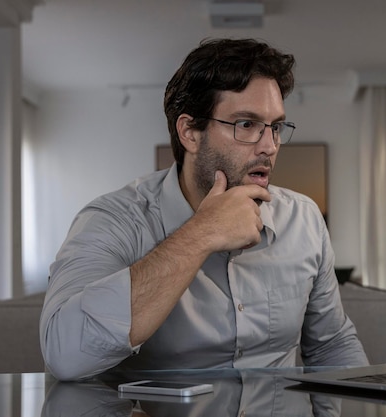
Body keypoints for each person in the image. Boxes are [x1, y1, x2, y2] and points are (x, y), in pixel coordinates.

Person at [40, 38, 368, 381]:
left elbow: (332, 345)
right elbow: (65, 355)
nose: (270, 146)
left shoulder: (304, 220)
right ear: (190, 133)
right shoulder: (113, 220)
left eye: (275, 127)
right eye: (246, 125)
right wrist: (203, 232)